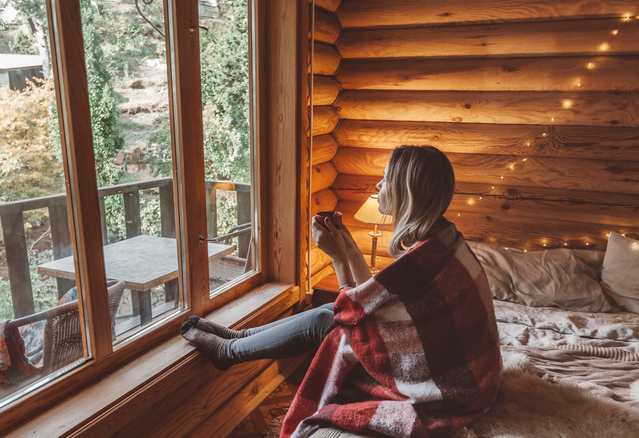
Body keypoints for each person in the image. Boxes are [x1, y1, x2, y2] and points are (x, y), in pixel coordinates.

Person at [182, 145, 502, 438]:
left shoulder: (426, 260)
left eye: (386, 179)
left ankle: (228, 352)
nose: (378, 186)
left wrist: (336, 256)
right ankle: (237, 340)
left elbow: (352, 311)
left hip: (451, 389)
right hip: (468, 378)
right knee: (327, 316)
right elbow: (372, 298)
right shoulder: (441, 237)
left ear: (406, 193)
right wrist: (348, 246)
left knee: (329, 321)